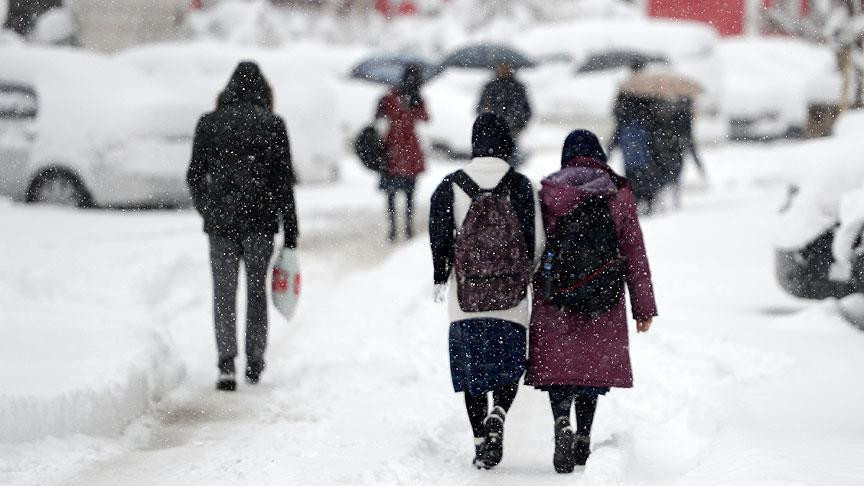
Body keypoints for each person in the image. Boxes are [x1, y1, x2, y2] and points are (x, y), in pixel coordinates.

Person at [526, 130, 657, 472]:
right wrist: (643, 308)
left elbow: (535, 248)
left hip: (557, 297)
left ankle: (561, 423)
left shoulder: (549, 192)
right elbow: (634, 254)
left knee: (561, 369)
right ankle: (583, 434)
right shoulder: (617, 192)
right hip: (604, 296)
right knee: (589, 369)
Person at [429, 113, 543, 470]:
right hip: (510, 299)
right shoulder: (521, 186)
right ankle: (499, 413)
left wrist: (441, 274)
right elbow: (536, 242)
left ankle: (481, 441)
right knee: (509, 368)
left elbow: (439, 238)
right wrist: (526, 275)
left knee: (473, 373)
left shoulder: (451, 185)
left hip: (466, 299)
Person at [187, 61, 299, 392]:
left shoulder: (209, 123)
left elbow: (194, 174)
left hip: (221, 223)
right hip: (260, 222)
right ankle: (254, 360)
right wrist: (290, 229)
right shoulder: (273, 124)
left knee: (224, 292)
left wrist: (208, 208)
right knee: (256, 290)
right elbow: (283, 182)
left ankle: (225, 364)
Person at [376, 63, 429, 242]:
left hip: (392, 148)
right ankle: (407, 228)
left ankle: (393, 229)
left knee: (392, 194)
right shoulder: (415, 98)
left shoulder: (391, 96)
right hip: (408, 149)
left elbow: (378, 117)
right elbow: (425, 118)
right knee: (409, 193)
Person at [477, 63, 532, 167]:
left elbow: (527, 111)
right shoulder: (490, 87)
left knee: (511, 161)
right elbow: (479, 108)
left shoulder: (518, 87)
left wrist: (519, 126)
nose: (503, 69)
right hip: (492, 132)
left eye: (506, 66)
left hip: (512, 132)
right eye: (500, 66)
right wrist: (486, 112)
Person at [652, 97, 704, 208]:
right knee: (674, 177)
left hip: (666, 151)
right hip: (674, 151)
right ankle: (673, 202)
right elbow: (689, 140)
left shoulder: (672, 114)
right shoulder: (683, 116)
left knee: (665, 178)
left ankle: (665, 201)